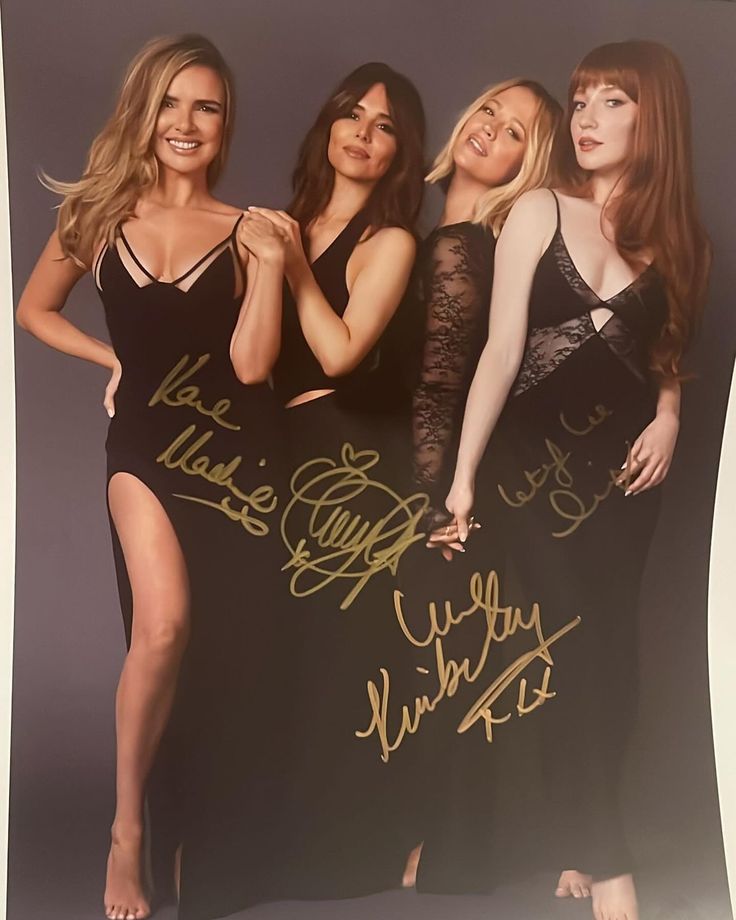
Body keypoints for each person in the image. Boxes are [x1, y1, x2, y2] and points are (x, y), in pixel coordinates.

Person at [422, 40, 710, 920]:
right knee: (566, 651)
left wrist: (669, 418)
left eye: (611, 102)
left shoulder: (681, 239)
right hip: (526, 473)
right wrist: (462, 478)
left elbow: (669, 358)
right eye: (580, 101)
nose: (584, 119)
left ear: (653, 116)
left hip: (623, 478)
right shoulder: (541, 209)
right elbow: (501, 351)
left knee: (613, 659)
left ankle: (578, 836)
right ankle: (610, 868)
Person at [16, 34, 283, 920]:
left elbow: (253, 367)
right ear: (144, 111)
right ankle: (127, 832)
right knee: (162, 629)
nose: (186, 122)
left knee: (223, 658)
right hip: (141, 450)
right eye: (171, 102)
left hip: (233, 462)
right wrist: (108, 360)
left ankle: (200, 840)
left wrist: (274, 270)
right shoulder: (95, 216)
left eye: (206, 106)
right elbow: (32, 308)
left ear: (225, 124)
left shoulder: (245, 232)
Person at [178, 63, 427, 918]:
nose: (362, 131)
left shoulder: (389, 241)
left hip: (352, 466)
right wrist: (128, 374)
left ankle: (356, 850)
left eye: (384, 125)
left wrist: (287, 264)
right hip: (275, 455)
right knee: (274, 656)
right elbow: (247, 357)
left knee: (343, 663)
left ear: (401, 151)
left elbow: (340, 352)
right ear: (327, 123)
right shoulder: (277, 226)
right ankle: (272, 846)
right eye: (350, 113)